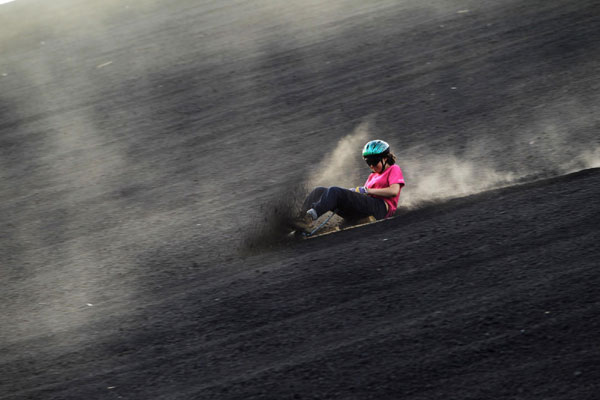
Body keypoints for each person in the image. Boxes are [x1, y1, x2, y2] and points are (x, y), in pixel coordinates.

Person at [291, 139, 405, 233]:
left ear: (385, 158)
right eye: (368, 163)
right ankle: (300, 221)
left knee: (334, 191)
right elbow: (363, 195)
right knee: (319, 190)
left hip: (380, 209)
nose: (371, 166)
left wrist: (366, 190)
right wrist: (353, 193)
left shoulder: (393, 169)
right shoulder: (373, 175)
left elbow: (394, 191)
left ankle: (309, 219)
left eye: (374, 162)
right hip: (368, 206)